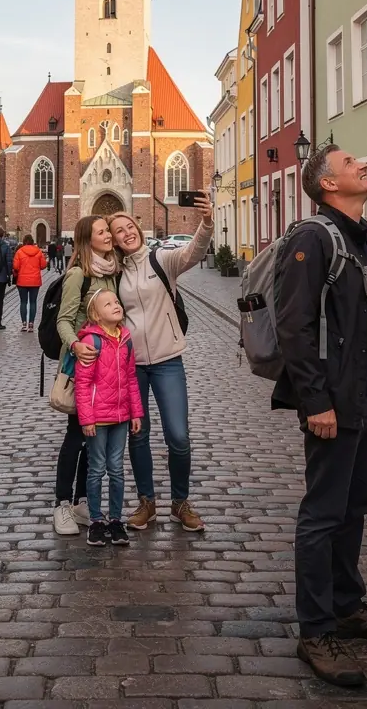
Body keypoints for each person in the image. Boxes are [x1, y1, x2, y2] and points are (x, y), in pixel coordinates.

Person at [271, 146, 367, 687]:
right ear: (328, 183)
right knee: (323, 512)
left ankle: (348, 606)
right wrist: (315, 401)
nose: (363, 166)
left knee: (357, 503)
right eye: (352, 162)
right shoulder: (313, 238)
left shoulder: (364, 237)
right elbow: (294, 328)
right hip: (335, 399)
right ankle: (315, 629)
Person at [109, 197, 213, 533]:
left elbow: (192, 253)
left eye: (129, 227)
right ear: (114, 241)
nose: (126, 233)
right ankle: (146, 502)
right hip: (131, 365)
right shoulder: (114, 272)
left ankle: (180, 502)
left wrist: (206, 223)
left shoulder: (160, 259)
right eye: (118, 231)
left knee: (178, 436)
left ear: (138, 229)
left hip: (168, 360)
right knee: (138, 437)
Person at [52, 215, 119, 536]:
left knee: (92, 438)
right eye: (103, 232)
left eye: (108, 230)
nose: (109, 235)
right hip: (82, 366)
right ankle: (62, 505)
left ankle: (80, 501)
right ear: (87, 239)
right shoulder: (78, 274)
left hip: (106, 369)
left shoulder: (111, 273)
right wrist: (77, 345)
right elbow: (63, 321)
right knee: (76, 435)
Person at [75, 289, 143, 547]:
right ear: (96, 314)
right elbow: (83, 385)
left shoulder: (125, 339)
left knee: (116, 469)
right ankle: (95, 521)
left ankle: (115, 520)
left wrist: (136, 412)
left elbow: (131, 379)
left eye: (116, 301)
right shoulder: (92, 341)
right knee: (96, 469)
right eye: (108, 304)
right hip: (97, 419)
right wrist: (87, 419)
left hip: (121, 416)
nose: (115, 305)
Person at [13, 234, 46, 332]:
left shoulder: (19, 252)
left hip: (22, 281)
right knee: (33, 302)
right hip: (35, 281)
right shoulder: (38, 252)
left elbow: (16, 266)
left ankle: (24, 323)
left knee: (23, 302)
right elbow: (43, 265)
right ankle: (31, 323)